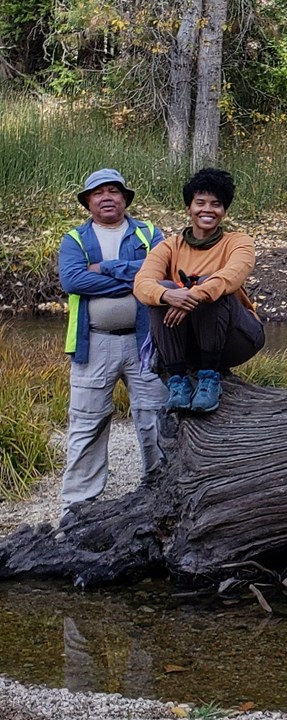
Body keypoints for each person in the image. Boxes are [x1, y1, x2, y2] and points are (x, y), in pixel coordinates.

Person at [58, 168, 166, 520]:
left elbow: (162, 273)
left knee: (155, 416)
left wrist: (103, 269)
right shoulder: (74, 239)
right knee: (87, 421)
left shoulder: (149, 233)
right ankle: (79, 503)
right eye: (99, 192)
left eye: (114, 191)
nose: (107, 197)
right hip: (94, 345)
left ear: (125, 198)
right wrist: (135, 277)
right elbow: (73, 280)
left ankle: (161, 488)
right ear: (88, 201)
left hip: (146, 343)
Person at [133, 168, 265, 415]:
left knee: (210, 284)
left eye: (216, 204)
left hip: (238, 336)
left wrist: (194, 294)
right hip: (187, 342)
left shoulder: (238, 242)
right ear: (189, 208)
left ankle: (209, 377)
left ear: (224, 211)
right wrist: (169, 296)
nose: (208, 210)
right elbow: (142, 283)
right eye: (200, 203)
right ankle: (178, 381)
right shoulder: (168, 247)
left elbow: (233, 275)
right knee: (164, 288)